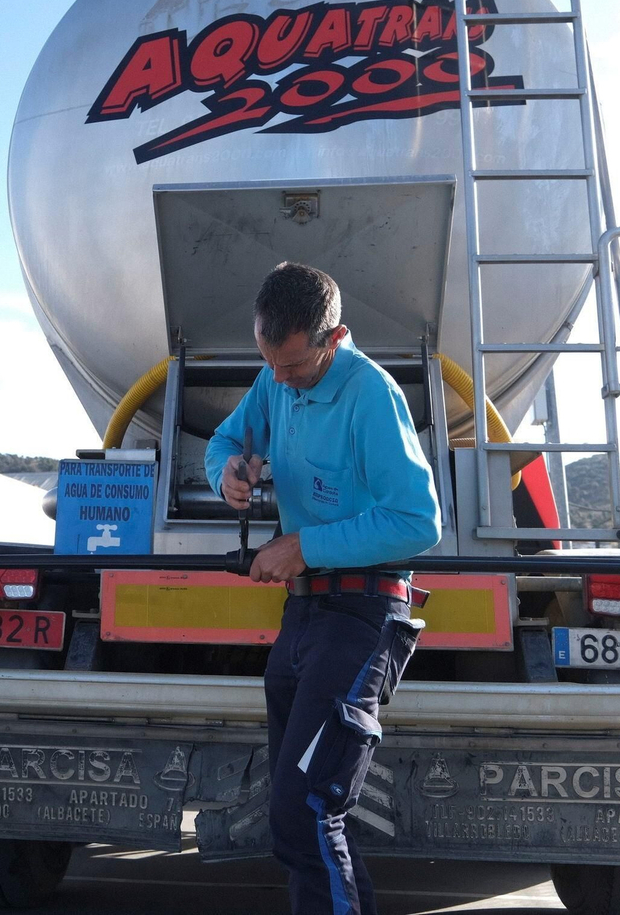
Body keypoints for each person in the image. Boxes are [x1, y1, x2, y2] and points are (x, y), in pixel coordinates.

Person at [206, 262, 441, 915]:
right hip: (304, 617)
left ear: (335, 339)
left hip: (364, 614)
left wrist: (303, 546)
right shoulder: (275, 375)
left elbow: (418, 522)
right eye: (269, 364)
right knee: (296, 820)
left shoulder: (371, 394)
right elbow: (230, 436)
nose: (279, 382)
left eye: (294, 368)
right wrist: (225, 469)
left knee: (307, 808)